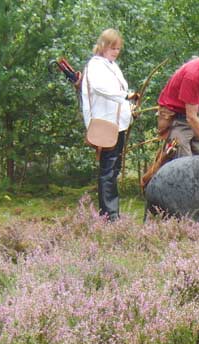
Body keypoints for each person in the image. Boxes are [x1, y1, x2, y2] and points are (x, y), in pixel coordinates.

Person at [81, 28, 137, 221]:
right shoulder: (95, 66)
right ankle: (109, 215)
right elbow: (101, 88)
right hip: (104, 124)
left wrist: (130, 105)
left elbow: (120, 89)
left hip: (116, 124)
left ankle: (112, 213)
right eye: (113, 48)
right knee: (108, 169)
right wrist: (124, 96)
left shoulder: (111, 65)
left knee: (113, 168)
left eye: (118, 48)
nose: (116, 52)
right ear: (103, 46)